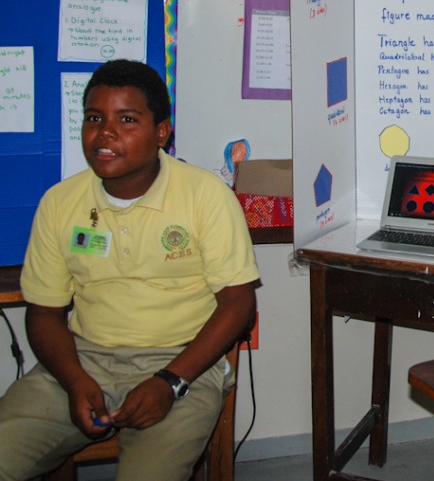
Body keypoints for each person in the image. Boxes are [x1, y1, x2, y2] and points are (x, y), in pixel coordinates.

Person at [0, 59, 260, 481]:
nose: (105, 133)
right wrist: (74, 380)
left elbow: (238, 303)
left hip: (183, 364)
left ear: (161, 133)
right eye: (94, 118)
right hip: (83, 359)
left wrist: (169, 381)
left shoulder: (205, 195)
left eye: (126, 119)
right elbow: (44, 312)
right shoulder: (60, 203)